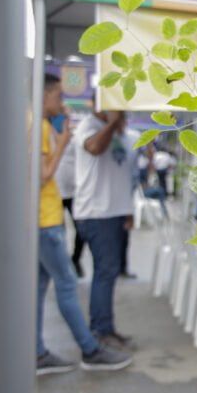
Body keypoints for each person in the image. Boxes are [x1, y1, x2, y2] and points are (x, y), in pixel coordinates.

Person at [36, 74, 131, 374]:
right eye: (58, 97)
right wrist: (63, 140)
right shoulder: (78, 129)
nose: (62, 103)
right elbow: (44, 174)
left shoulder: (43, 126)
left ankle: (38, 352)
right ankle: (91, 345)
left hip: (56, 216)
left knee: (42, 286)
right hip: (60, 216)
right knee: (73, 282)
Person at [73, 109, 138, 350]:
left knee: (109, 272)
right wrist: (111, 124)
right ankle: (100, 331)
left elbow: (124, 173)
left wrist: (128, 210)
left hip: (114, 212)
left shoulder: (120, 130)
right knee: (104, 272)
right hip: (96, 213)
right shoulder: (87, 125)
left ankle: (107, 328)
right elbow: (95, 148)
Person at [54, 109, 86, 277]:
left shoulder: (74, 141)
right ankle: (61, 263)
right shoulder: (49, 139)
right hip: (55, 195)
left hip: (74, 193)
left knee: (81, 231)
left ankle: (75, 260)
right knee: (58, 233)